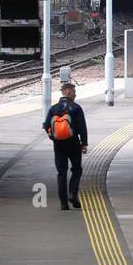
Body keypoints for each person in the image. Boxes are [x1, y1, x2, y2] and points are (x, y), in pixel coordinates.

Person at [43, 81, 88, 209]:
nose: (75, 95)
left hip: (58, 145)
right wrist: (84, 143)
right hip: (73, 143)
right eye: (74, 92)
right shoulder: (76, 108)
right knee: (77, 169)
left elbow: (46, 125)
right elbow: (82, 127)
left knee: (61, 172)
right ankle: (73, 194)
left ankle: (63, 203)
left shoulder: (53, 108)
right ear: (67, 92)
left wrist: (54, 137)